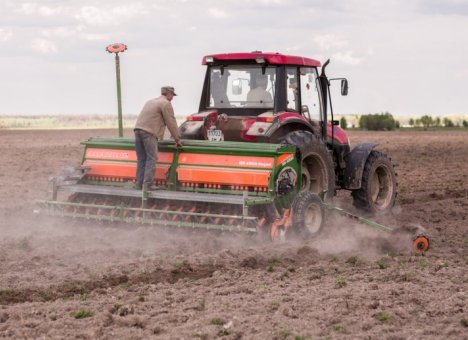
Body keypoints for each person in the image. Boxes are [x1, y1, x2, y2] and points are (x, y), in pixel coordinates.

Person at [134, 86, 182, 190]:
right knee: (152, 158)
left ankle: (139, 183)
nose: (172, 98)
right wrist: (177, 139)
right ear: (168, 94)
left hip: (137, 130)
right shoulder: (165, 103)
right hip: (149, 132)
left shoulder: (150, 101)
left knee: (142, 158)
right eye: (172, 95)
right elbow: (171, 122)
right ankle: (148, 184)